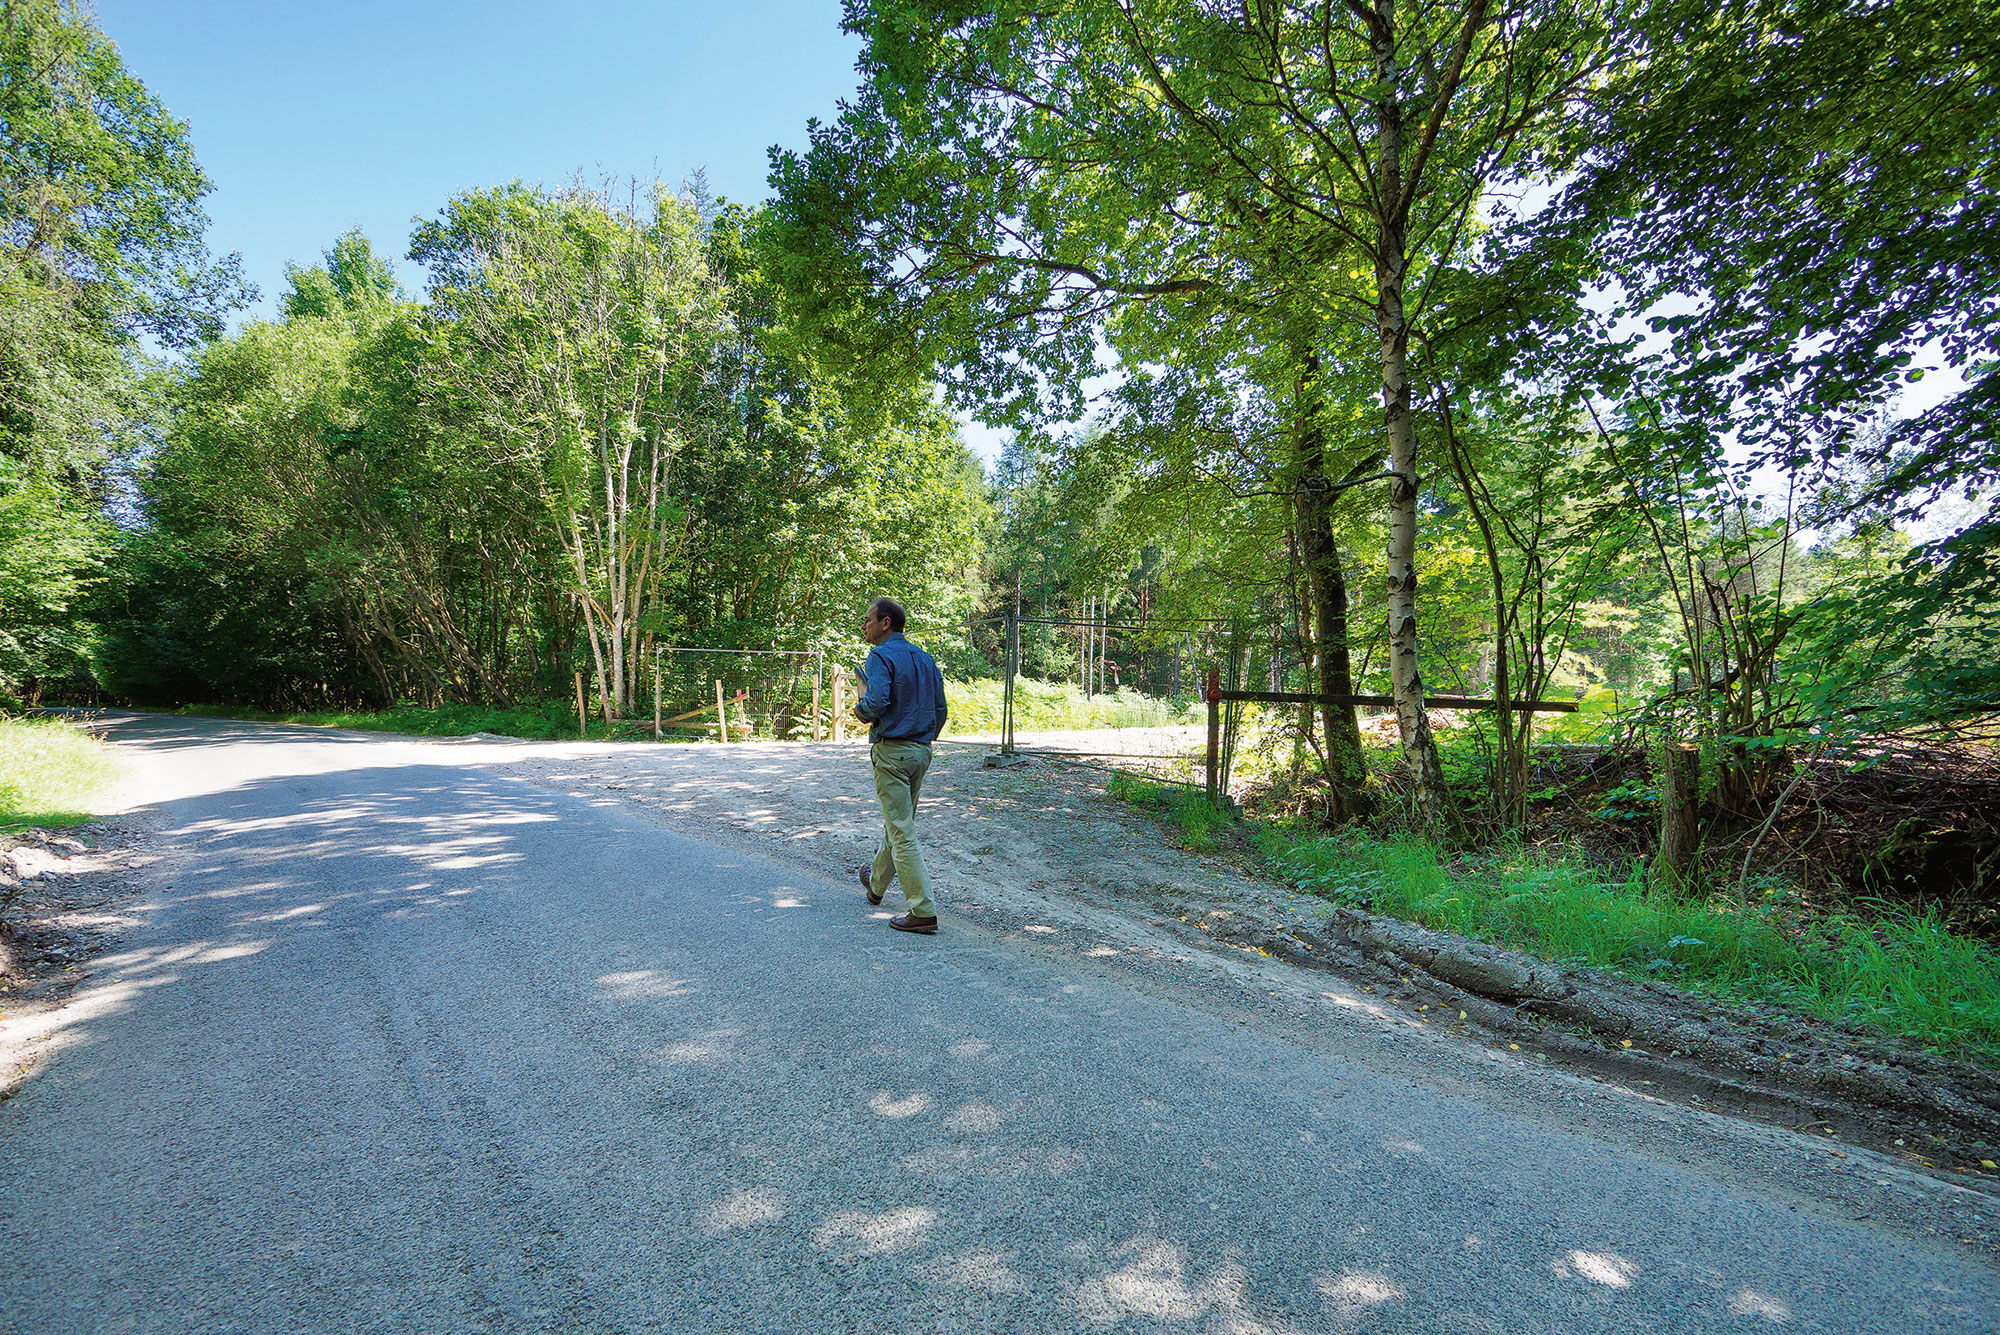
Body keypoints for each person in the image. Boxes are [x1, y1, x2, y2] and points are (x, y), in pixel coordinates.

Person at [853, 596, 948, 934]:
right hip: (921, 752)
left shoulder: (880, 656)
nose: (863, 625)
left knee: (902, 831)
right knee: (899, 824)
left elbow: (876, 701)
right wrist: (924, 738)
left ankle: (922, 910)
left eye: (867, 620)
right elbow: (941, 709)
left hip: (892, 752)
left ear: (885, 623)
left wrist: (860, 710)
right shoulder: (924, 658)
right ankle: (876, 884)